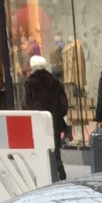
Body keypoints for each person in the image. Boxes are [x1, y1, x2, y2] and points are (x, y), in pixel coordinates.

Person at [22, 52, 69, 180]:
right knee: (55, 149)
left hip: (37, 123)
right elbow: (64, 104)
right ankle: (60, 170)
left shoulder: (30, 83)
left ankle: (44, 175)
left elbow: (26, 104)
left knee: (40, 149)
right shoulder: (55, 82)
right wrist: (57, 116)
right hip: (54, 122)